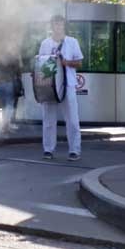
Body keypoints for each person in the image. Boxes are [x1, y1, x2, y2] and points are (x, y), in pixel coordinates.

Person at [39, 15, 84, 161]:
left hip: (68, 85)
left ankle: (74, 150)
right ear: (51, 26)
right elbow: (41, 64)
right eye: (55, 24)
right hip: (50, 86)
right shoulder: (45, 43)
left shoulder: (72, 42)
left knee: (72, 119)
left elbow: (79, 63)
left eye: (60, 24)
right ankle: (48, 149)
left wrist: (66, 63)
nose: (58, 27)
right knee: (48, 119)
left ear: (64, 26)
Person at [0, 53, 22, 134]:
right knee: (9, 104)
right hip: (9, 83)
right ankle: (6, 125)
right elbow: (18, 73)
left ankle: (5, 124)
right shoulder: (14, 58)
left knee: (4, 105)